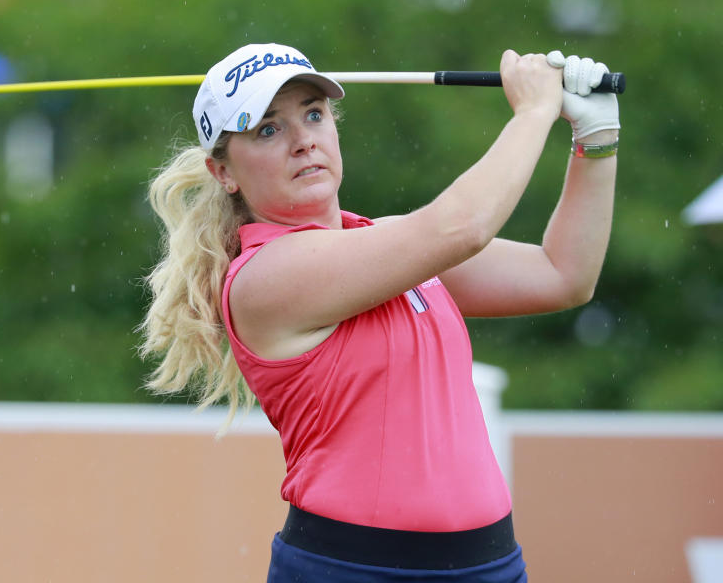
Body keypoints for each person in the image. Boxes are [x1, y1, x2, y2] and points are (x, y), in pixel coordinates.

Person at [139, 42, 619, 582]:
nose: (303, 142)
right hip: (353, 569)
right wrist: (534, 112)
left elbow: (563, 274)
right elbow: (462, 227)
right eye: (268, 130)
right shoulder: (265, 277)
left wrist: (595, 141)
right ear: (223, 173)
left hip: (491, 566)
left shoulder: (393, 246)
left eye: (314, 115)